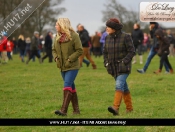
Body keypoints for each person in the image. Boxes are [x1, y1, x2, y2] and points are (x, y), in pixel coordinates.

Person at [103, 18, 135, 116]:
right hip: (112, 68)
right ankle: (129, 109)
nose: (106, 28)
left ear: (114, 28)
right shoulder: (107, 38)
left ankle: (115, 107)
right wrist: (106, 63)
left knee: (119, 85)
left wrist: (124, 62)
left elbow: (132, 51)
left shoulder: (126, 37)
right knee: (124, 87)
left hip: (123, 68)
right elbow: (105, 53)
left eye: (108, 27)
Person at [52, 18, 83, 116]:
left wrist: (70, 59)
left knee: (67, 85)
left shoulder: (74, 36)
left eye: (57, 24)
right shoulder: (56, 36)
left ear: (62, 25)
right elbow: (53, 49)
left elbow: (79, 50)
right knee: (71, 86)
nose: (55, 26)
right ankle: (76, 110)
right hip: (61, 66)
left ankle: (63, 110)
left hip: (72, 66)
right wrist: (56, 57)